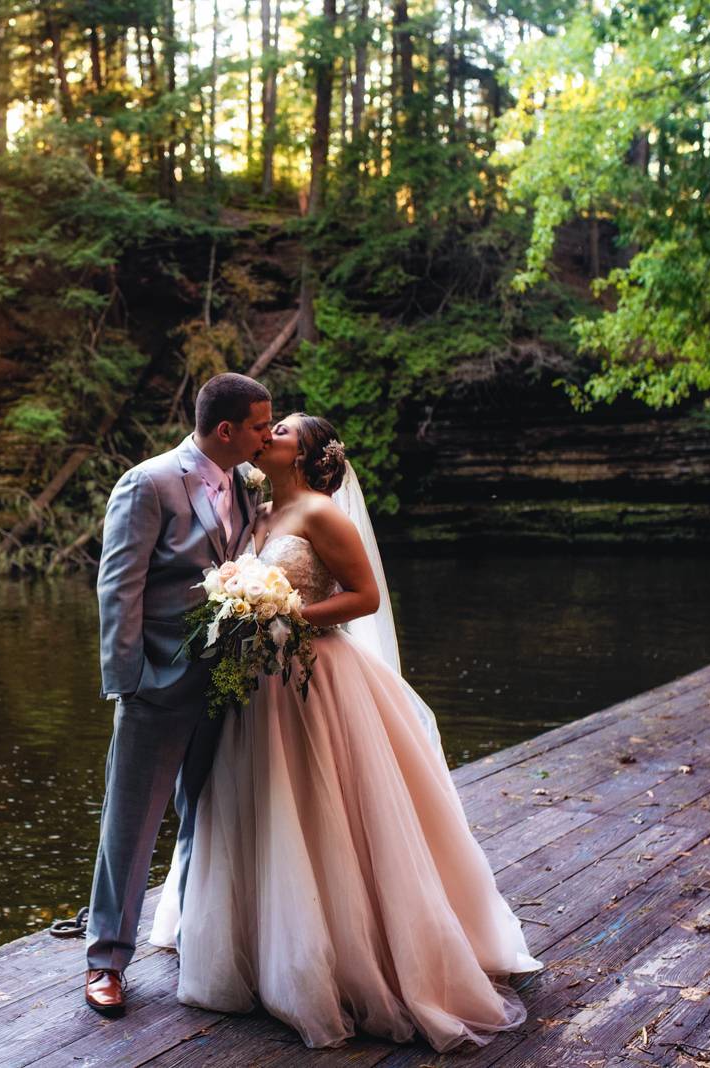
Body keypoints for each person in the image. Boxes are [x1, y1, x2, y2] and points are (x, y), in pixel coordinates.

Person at [149, 413, 543, 1050]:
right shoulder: (258, 513)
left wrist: (287, 614)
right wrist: (242, 611)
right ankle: (258, 946)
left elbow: (365, 597)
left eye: (280, 431)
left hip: (314, 676)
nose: (266, 436)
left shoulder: (322, 514)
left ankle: (345, 955)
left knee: (320, 806)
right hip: (257, 682)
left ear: (305, 455)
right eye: (266, 427)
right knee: (261, 804)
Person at [84, 372, 273, 1016]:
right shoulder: (149, 482)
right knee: (130, 825)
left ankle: (198, 939)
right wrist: (130, 683)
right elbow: (118, 588)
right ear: (225, 430)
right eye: (258, 426)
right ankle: (106, 960)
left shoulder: (248, 483)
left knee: (206, 817)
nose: (266, 435)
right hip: (156, 684)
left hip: (226, 684)